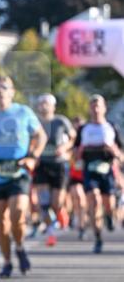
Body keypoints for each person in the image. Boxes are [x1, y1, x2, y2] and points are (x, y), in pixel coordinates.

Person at [0, 75, 46, 278]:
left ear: (12, 92)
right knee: (1, 222)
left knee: (18, 213)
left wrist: (33, 157)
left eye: (5, 87)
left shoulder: (23, 112)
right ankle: (7, 261)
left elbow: (41, 135)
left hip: (18, 170)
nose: (1, 91)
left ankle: (19, 246)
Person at [74, 94, 123, 254]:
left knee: (109, 203)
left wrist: (114, 151)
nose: (96, 109)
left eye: (98, 106)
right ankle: (98, 238)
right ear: (89, 109)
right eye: (93, 106)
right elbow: (75, 153)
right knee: (94, 200)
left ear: (104, 108)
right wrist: (79, 152)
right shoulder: (84, 129)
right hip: (90, 171)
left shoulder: (111, 127)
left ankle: (109, 215)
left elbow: (121, 154)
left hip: (107, 171)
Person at [33, 94, 75, 247]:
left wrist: (65, 147)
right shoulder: (35, 122)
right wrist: (33, 154)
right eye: (41, 103)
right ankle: (51, 232)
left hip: (58, 164)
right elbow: (29, 139)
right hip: (42, 164)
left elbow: (73, 137)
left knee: (57, 202)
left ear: (53, 106)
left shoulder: (61, 121)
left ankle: (60, 214)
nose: (44, 106)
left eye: (47, 103)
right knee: (44, 202)